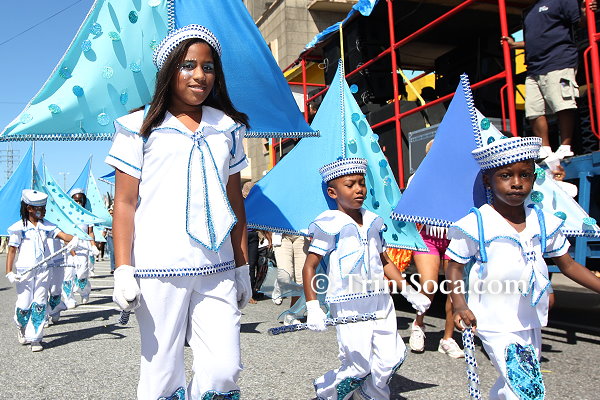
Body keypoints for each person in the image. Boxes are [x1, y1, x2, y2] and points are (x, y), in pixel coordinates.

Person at [106, 25, 251, 400]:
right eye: (188, 65)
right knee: (161, 375)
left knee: (224, 369)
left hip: (217, 266)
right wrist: (122, 268)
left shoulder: (228, 128)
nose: (200, 75)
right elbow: (124, 202)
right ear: (168, 71)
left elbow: (235, 201)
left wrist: (242, 265)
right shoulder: (137, 127)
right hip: (159, 268)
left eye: (208, 67)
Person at [445, 136, 600, 399]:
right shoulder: (476, 224)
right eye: (506, 175)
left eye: (525, 175)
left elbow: (569, 265)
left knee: (515, 385)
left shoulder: (543, 221)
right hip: (493, 319)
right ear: (488, 180)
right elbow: (454, 267)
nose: (517, 183)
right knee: (525, 387)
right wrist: (459, 304)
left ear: (534, 178)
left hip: (531, 319)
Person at [303, 158, 431, 400]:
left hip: (381, 299)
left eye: (361, 183)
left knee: (391, 357)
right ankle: (328, 391)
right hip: (348, 301)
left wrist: (408, 291)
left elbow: (384, 260)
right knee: (358, 365)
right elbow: (309, 266)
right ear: (333, 192)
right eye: (350, 185)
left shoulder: (374, 221)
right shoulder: (329, 224)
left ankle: (371, 394)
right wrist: (312, 306)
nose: (358, 189)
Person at [501, 0, 597, 160]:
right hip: (534, 67)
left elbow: (581, 22)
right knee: (533, 111)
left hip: (559, 61)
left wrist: (586, 12)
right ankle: (545, 149)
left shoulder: (561, 0)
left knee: (563, 104)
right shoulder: (530, 11)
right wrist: (514, 45)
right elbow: (536, 39)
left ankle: (565, 147)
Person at [407, 139, 464, 358]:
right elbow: (409, 206)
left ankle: (447, 339)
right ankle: (418, 324)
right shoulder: (419, 177)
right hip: (427, 237)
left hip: (454, 238)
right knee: (429, 284)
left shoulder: (461, 178)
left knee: (454, 289)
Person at [5, 189, 77, 352]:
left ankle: (36, 338)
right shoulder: (19, 228)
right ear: (29, 208)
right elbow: (12, 250)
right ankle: (21, 326)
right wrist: (9, 271)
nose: (44, 211)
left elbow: (63, 235)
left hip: (44, 269)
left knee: (40, 303)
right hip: (25, 271)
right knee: (24, 304)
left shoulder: (47, 226)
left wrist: (75, 239)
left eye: (44, 208)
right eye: (40, 208)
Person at [67, 189, 98, 304]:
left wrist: (93, 245)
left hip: (83, 246)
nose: (78, 203)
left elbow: (90, 232)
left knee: (82, 272)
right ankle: (69, 298)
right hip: (69, 245)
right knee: (68, 274)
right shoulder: (67, 215)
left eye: (80, 200)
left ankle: (84, 292)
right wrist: (73, 254)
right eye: (76, 200)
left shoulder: (87, 215)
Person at [272, 232, 309, 324]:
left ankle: (291, 315)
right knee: (285, 274)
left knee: (301, 281)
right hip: (282, 235)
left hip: (303, 235)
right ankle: (279, 285)